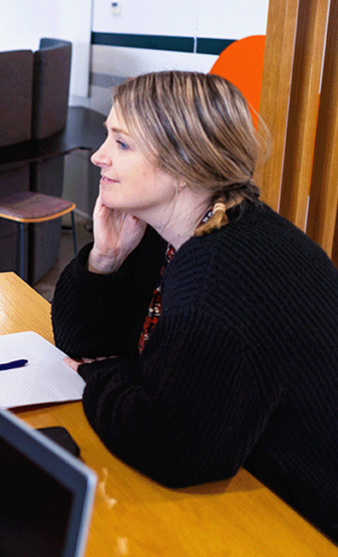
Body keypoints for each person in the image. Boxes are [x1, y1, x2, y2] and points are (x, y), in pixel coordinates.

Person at [51, 71, 338, 542]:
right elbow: (78, 341)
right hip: (245, 479)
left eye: (122, 144)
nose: (98, 155)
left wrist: (101, 373)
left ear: (185, 164)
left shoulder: (223, 278)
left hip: (296, 521)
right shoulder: (174, 229)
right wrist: (106, 258)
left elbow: (173, 452)